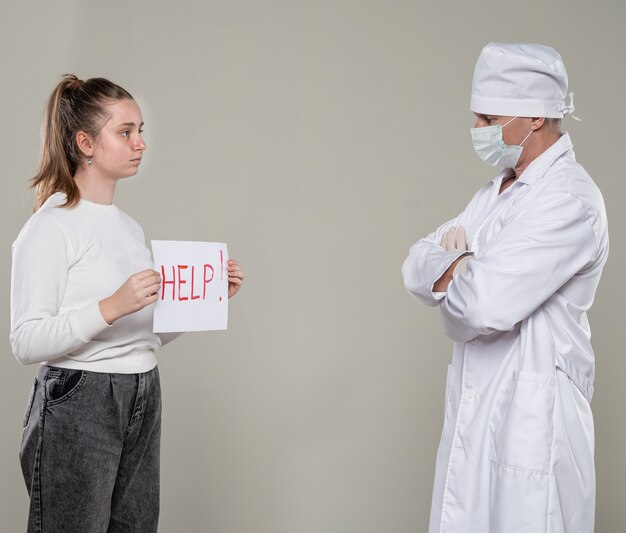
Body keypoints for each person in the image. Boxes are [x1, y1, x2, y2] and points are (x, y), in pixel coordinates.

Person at [10, 74, 245, 532]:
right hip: (80, 398)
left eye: (141, 132)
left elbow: (143, 335)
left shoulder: (130, 229)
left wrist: (207, 296)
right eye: (126, 132)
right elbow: (25, 340)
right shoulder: (51, 227)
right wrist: (111, 305)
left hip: (142, 390)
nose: (140, 143)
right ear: (85, 143)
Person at [402, 43, 608, 532]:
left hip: (533, 427)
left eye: (487, 118)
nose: (478, 131)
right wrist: (464, 265)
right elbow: (413, 266)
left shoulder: (569, 200)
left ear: (534, 118)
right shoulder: (493, 195)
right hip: (479, 419)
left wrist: (454, 273)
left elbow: (479, 308)